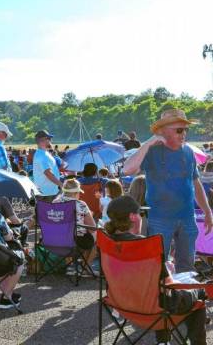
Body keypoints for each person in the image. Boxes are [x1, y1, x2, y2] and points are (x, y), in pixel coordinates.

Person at [104, 195, 207, 345]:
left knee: (160, 290)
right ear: (132, 217)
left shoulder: (107, 242)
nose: (142, 217)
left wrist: (162, 267)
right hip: (154, 309)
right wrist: (168, 271)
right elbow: (168, 284)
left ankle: (163, 342)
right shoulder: (145, 246)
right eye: (141, 214)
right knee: (198, 292)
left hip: (122, 303)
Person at [123, 109, 213, 273]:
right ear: (164, 131)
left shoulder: (188, 152)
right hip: (160, 219)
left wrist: (207, 211)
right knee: (157, 265)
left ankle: (182, 297)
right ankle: (160, 297)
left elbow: (196, 182)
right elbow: (127, 169)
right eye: (179, 130)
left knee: (187, 267)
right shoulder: (152, 151)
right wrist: (150, 142)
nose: (184, 133)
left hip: (187, 218)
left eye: (185, 129)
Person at [54, 179, 98, 275]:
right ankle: (85, 267)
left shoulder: (55, 202)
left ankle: (68, 265)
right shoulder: (80, 204)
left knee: (66, 231)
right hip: (76, 240)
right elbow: (92, 227)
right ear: (75, 193)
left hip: (54, 239)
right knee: (96, 234)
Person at [32, 130, 62, 202]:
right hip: (46, 194)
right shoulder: (41, 155)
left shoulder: (44, 153)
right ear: (42, 140)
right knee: (47, 212)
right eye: (49, 139)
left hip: (49, 191)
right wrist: (61, 185)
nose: (50, 141)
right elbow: (48, 173)